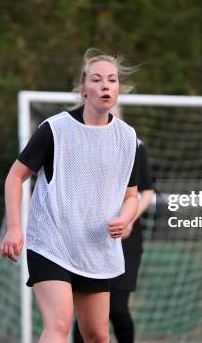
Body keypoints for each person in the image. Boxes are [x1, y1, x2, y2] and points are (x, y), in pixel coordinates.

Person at [0, 48, 140, 343]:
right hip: (52, 242)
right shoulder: (55, 129)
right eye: (97, 79)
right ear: (84, 87)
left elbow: (131, 196)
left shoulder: (127, 138)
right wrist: (14, 227)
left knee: (98, 335)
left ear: (118, 88)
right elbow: (15, 177)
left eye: (112, 80)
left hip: (95, 249)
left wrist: (124, 218)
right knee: (59, 324)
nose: (105, 86)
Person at [72, 106, 155, 343]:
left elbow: (146, 191)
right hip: (89, 240)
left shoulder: (133, 144)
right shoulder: (79, 144)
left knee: (117, 308)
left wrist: (128, 218)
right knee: (85, 315)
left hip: (125, 241)